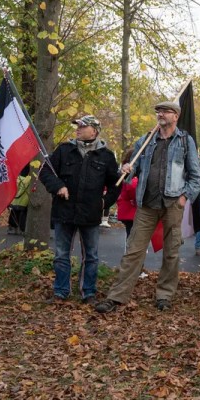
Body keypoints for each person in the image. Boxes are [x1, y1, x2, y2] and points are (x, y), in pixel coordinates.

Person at [95, 101, 200, 313]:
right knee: (133, 251)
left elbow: (196, 177)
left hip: (172, 205)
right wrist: (127, 169)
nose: (160, 114)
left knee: (171, 252)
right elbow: (133, 171)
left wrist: (184, 197)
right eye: (158, 111)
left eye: (165, 111)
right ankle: (117, 296)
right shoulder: (146, 140)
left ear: (176, 116)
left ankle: (165, 295)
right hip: (146, 206)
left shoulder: (185, 142)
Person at [39, 115, 121, 304]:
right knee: (61, 254)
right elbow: (46, 171)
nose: (78, 129)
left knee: (91, 256)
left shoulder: (106, 156)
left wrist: (104, 202)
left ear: (94, 130)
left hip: (90, 214)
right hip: (64, 212)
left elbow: (116, 185)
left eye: (82, 126)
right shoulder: (64, 150)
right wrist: (58, 186)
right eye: (77, 126)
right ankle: (60, 292)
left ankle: (88, 292)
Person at [116, 148, 138, 239]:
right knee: (134, 238)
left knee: (130, 235)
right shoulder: (132, 175)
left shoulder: (122, 173)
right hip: (132, 211)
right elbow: (132, 188)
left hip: (125, 210)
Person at [8, 164, 31, 235]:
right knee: (23, 215)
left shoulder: (17, 178)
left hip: (15, 199)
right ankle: (22, 229)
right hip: (24, 200)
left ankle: (12, 228)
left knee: (14, 213)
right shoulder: (29, 179)